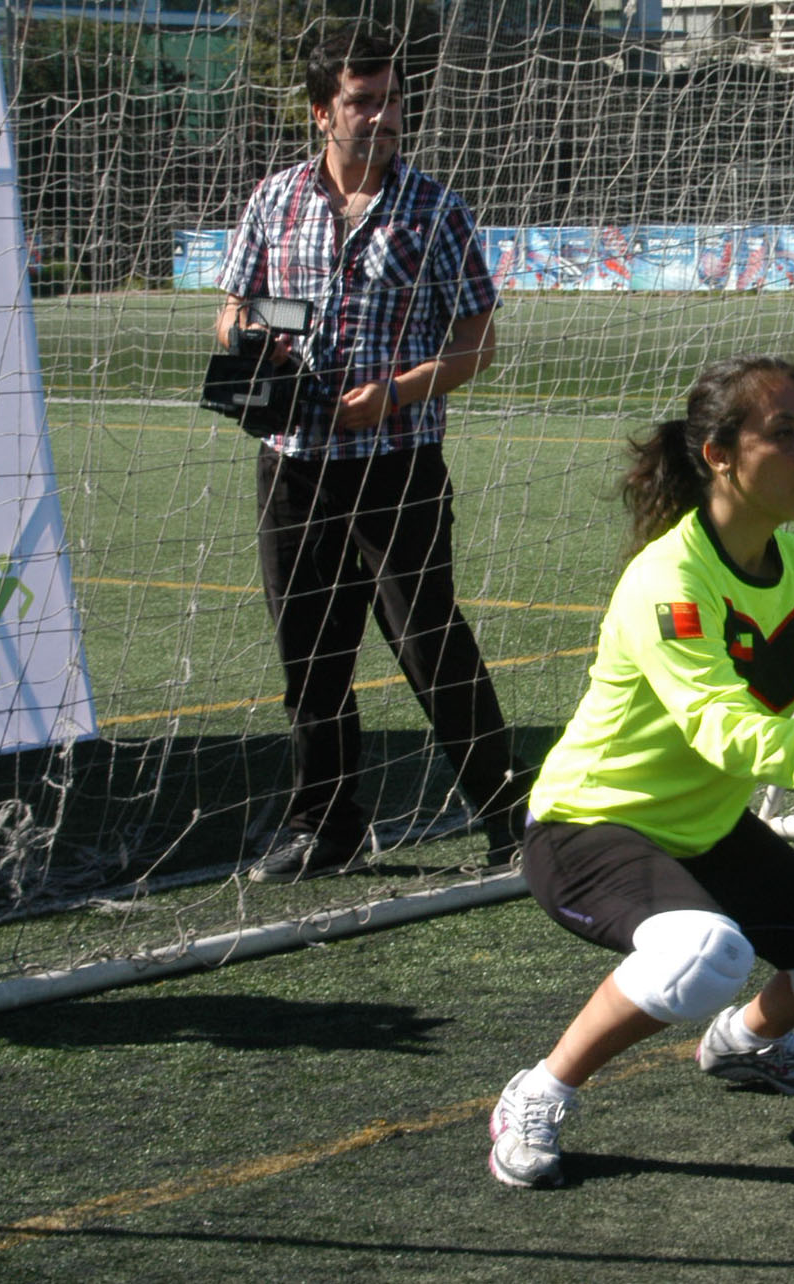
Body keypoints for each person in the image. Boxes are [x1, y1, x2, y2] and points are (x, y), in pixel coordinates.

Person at [484, 355, 794, 1189]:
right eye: (782, 434)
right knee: (700, 953)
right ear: (718, 454)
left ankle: (743, 1044)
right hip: (590, 825)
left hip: (706, 830)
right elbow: (725, 733)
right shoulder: (667, 579)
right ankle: (538, 1092)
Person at [213, 22, 534, 882]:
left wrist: (395, 391)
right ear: (323, 112)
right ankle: (327, 827)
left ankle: (511, 818)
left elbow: (479, 344)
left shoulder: (434, 209)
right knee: (309, 654)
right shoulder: (271, 202)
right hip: (292, 461)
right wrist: (254, 342)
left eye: (393, 100)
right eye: (364, 102)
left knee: (428, 643)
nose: (383, 116)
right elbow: (231, 309)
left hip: (396, 466)